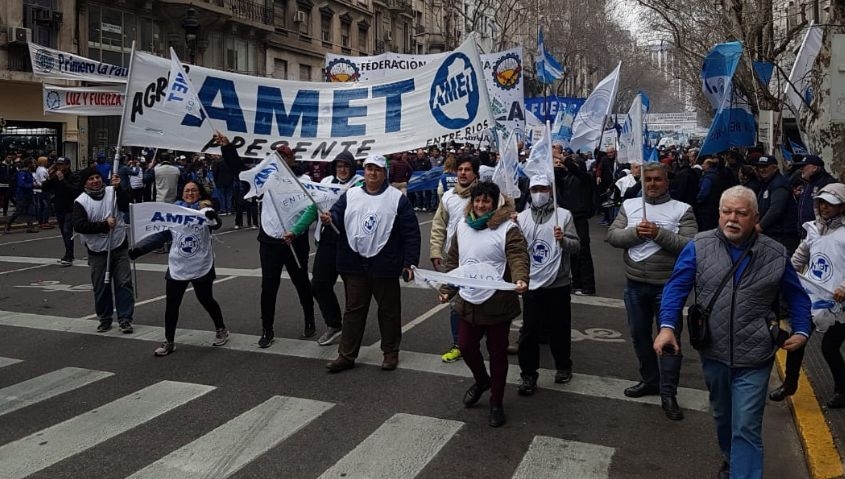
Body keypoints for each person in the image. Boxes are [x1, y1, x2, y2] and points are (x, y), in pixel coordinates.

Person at [654, 185, 811, 479]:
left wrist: (802, 330)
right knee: (724, 416)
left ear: (755, 216)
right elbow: (675, 288)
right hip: (713, 352)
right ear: (718, 214)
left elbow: (798, 297)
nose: (732, 219)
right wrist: (666, 328)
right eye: (726, 212)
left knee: (746, 425)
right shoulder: (698, 246)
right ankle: (730, 458)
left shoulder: (775, 253)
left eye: (741, 213)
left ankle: (743, 473)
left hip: (756, 354)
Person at [607, 162, 697, 420]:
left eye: (658, 179)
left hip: (668, 288)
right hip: (634, 285)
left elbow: (690, 246)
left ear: (666, 181)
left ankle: (669, 393)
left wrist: (658, 233)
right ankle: (650, 380)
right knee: (639, 336)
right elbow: (613, 236)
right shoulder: (630, 206)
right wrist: (636, 232)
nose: (653, 184)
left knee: (669, 340)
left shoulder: (682, 210)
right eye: (648, 180)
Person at [438, 181, 529, 427]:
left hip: (497, 302)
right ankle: (482, 380)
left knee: (497, 353)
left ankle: (496, 402)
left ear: (494, 202)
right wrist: (447, 288)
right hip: (468, 300)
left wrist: (520, 278)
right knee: (466, 346)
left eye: (485, 201)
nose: (480, 205)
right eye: (477, 200)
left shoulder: (508, 228)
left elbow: (518, 255)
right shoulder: (462, 225)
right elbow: (454, 260)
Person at [321, 154, 421, 373]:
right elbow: (337, 214)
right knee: (354, 310)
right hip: (354, 262)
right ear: (363, 172)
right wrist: (330, 219)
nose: (372, 173)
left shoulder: (397, 198)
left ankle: (390, 352)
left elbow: (411, 233)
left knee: (389, 310)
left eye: (377, 169)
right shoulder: (351, 195)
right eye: (368, 169)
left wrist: (409, 263)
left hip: (385, 263)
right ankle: (346, 355)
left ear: (384, 173)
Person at [217, 134, 316, 347]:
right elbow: (240, 172)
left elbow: (311, 208)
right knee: (269, 287)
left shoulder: (303, 181)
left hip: (294, 241)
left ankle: (310, 319)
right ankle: (267, 330)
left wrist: (297, 231)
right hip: (270, 241)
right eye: (278, 156)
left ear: (292, 159)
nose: (281, 159)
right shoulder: (265, 178)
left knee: (301, 283)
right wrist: (227, 148)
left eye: (285, 156)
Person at [129, 180, 228, 356]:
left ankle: (221, 329)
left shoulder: (204, 209)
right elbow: (161, 235)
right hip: (178, 265)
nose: (190, 193)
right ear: (181, 194)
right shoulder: (173, 211)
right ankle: (169, 341)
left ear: (199, 193)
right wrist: (139, 249)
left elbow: (216, 223)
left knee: (206, 299)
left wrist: (213, 215)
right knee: (172, 305)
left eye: (193, 190)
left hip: (201, 264)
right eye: (186, 191)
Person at [287, 151, 364, 346]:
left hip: (350, 244)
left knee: (354, 291)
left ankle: (353, 329)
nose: (343, 169)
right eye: (339, 166)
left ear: (352, 167)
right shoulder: (325, 181)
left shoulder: (360, 184)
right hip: (327, 243)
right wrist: (295, 231)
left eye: (346, 166)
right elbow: (313, 209)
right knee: (319, 285)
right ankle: (334, 323)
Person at [516, 174, 580, 395]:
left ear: (550, 190)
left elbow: (576, 247)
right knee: (529, 332)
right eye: (535, 189)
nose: (539, 193)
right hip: (532, 283)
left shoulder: (564, 216)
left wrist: (563, 239)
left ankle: (563, 366)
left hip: (558, 283)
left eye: (543, 188)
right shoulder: (522, 218)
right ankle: (528, 375)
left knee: (559, 329)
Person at [791, 183, 845, 408]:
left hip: (839, 305)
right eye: (821, 203)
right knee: (797, 339)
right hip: (812, 299)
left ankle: (842, 390)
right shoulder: (812, 230)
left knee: (830, 347)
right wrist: (787, 274)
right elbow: (799, 257)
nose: (824, 207)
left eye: (830, 204)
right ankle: (789, 383)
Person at [72, 168, 135, 333]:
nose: (95, 181)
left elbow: (125, 206)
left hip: (118, 245)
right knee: (101, 286)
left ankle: (125, 318)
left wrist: (119, 188)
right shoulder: (81, 201)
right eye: (91, 178)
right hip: (97, 251)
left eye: (97, 177)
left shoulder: (112, 191)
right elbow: (79, 225)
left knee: (123, 283)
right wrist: (104, 225)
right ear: (85, 182)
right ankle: (105, 318)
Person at [430, 156, 479, 363]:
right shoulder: (449, 196)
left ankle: (485, 341)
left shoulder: (484, 196)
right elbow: (439, 224)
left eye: (467, 169)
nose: (463, 173)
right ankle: (458, 344)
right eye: (460, 169)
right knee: (455, 303)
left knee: (482, 302)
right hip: (454, 258)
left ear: (475, 173)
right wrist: (435, 250)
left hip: (479, 259)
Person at [554, 150, 597, 296]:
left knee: (583, 251)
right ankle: (576, 282)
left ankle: (588, 285)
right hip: (569, 217)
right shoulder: (567, 178)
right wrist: (553, 165)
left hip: (579, 217)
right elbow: (556, 180)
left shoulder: (585, 177)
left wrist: (562, 157)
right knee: (571, 251)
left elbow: (575, 170)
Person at [41, 158, 79, 266]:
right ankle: (69, 252)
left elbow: (74, 190)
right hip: (59, 207)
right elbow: (44, 188)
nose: (59, 167)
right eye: (58, 165)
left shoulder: (73, 176)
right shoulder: (55, 177)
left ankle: (69, 254)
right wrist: (49, 178)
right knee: (63, 231)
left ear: (68, 165)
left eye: (62, 165)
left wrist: (63, 180)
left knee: (67, 230)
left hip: (70, 207)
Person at [794, 155, 835, 231]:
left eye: (804, 166)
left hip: (820, 233)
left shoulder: (827, 183)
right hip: (806, 233)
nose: (801, 169)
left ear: (814, 168)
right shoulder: (807, 183)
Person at [4, 158, 38, 234]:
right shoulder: (22, 172)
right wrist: (32, 185)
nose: (34, 165)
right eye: (33, 163)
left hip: (29, 194)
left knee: (30, 211)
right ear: (29, 164)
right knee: (18, 211)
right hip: (22, 195)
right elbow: (21, 184)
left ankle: (30, 227)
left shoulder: (29, 172)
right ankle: (8, 224)